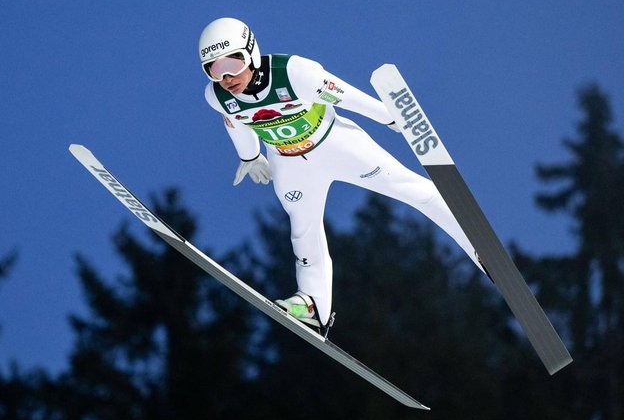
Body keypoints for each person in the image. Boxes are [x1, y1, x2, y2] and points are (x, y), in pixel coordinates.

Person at [199, 17, 486, 333]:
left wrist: (390, 119)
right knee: (303, 230)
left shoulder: (294, 73)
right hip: (289, 164)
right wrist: (250, 157)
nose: (226, 77)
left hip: (336, 146)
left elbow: (346, 96)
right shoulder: (219, 97)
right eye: (213, 69)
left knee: (408, 187)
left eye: (231, 63)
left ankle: (476, 244)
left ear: (251, 53)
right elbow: (237, 122)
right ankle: (313, 304)